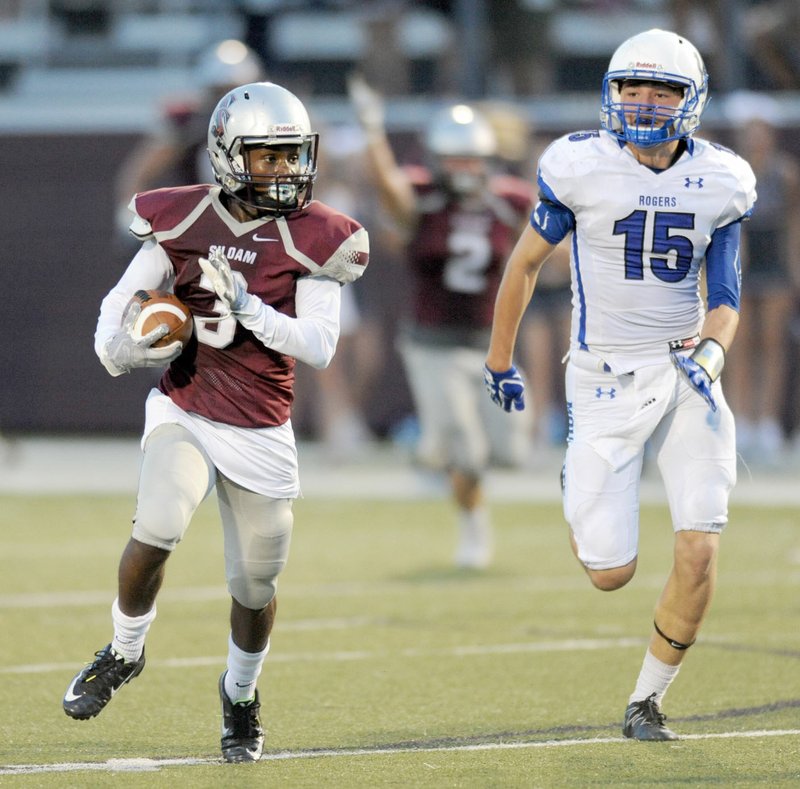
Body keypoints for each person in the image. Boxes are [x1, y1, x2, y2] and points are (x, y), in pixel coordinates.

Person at [62, 81, 369, 763]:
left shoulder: (319, 235)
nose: (286, 172)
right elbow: (122, 299)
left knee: (255, 586)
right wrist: (118, 349)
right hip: (188, 406)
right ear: (230, 156)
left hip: (261, 427)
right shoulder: (184, 217)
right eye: (268, 158)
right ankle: (123, 650)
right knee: (157, 527)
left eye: (292, 157)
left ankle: (239, 693)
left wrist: (252, 310)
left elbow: (319, 346)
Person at [483, 29, 756, 740]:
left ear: (689, 101)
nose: (641, 101)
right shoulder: (580, 165)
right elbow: (523, 265)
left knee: (699, 547)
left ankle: (647, 700)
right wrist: (498, 361)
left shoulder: (723, 178)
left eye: (660, 89)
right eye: (631, 86)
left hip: (686, 369)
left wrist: (714, 356)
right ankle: (578, 475)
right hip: (602, 375)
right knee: (611, 572)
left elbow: (725, 298)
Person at [349, 74, 534, 569]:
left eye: (472, 158)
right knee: (466, 449)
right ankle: (472, 525)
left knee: (512, 451)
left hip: (493, 343)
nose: (464, 169)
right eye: (454, 159)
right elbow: (389, 189)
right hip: (433, 343)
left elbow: (554, 228)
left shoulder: (510, 200)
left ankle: (430, 447)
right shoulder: (424, 198)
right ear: (437, 159)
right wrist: (373, 133)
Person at [722, 91, 800, 464]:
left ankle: (767, 421)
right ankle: (740, 418)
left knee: (771, 343)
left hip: (775, 264)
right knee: (737, 343)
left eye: (760, 131)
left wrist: (794, 269)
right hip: (742, 260)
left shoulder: (785, 174)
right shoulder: (731, 172)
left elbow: (793, 222)